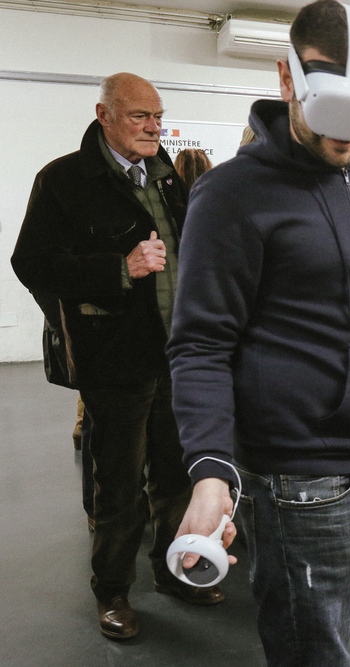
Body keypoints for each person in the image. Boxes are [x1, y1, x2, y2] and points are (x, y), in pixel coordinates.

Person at [165, 2, 350, 664]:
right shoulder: (233, 194)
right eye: (334, 124)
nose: (346, 143)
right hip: (303, 479)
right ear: (286, 78)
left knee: (334, 632)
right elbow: (200, 344)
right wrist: (211, 470)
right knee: (312, 651)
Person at [11, 72, 220, 641]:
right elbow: (31, 262)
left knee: (176, 475)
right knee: (119, 483)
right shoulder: (62, 180)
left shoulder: (168, 177)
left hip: (176, 353)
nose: (154, 126)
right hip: (115, 358)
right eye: (139, 117)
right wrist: (117, 269)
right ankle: (113, 591)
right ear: (104, 115)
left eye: (158, 116)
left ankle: (175, 570)